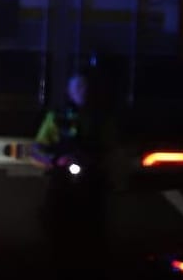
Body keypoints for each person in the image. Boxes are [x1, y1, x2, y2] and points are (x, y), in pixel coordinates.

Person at [31, 72, 120, 276]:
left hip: (92, 179)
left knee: (95, 228)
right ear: (69, 92)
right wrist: (55, 161)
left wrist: (101, 164)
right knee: (54, 222)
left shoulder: (102, 118)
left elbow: (112, 149)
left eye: (86, 87)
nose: (83, 92)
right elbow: (37, 149)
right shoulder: (56, 117)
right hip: (62, 177)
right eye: (78, 88)